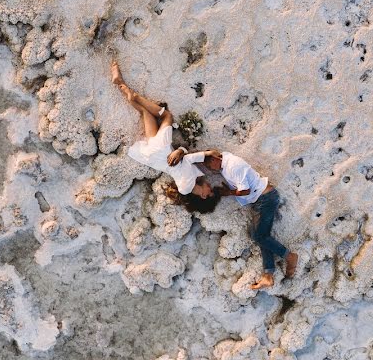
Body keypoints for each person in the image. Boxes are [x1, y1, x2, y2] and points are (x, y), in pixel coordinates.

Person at [167, 147, 298, 289]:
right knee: (258, 235)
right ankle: (268, 274)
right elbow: (196, 158)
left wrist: (229, 192)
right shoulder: (224, 164)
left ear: (216, 159)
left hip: (266, 198)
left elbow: (245, 190)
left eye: (209, 165)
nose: (210, 170)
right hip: (258, 201)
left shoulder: (233, 165)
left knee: (260, 236)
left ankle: (289, 257)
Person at [111, 61, 219, 211]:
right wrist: (182, 152)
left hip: (162, 151)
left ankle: (135, 96)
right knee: (145, 113)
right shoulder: (188, 185)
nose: (210, 187)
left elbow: (187, 159)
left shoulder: (187, 187)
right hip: (154, 156)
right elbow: (183, 164)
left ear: (203, 196)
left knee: (167, 116)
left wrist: (202, 152)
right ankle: (120, 83)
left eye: (210, 192)